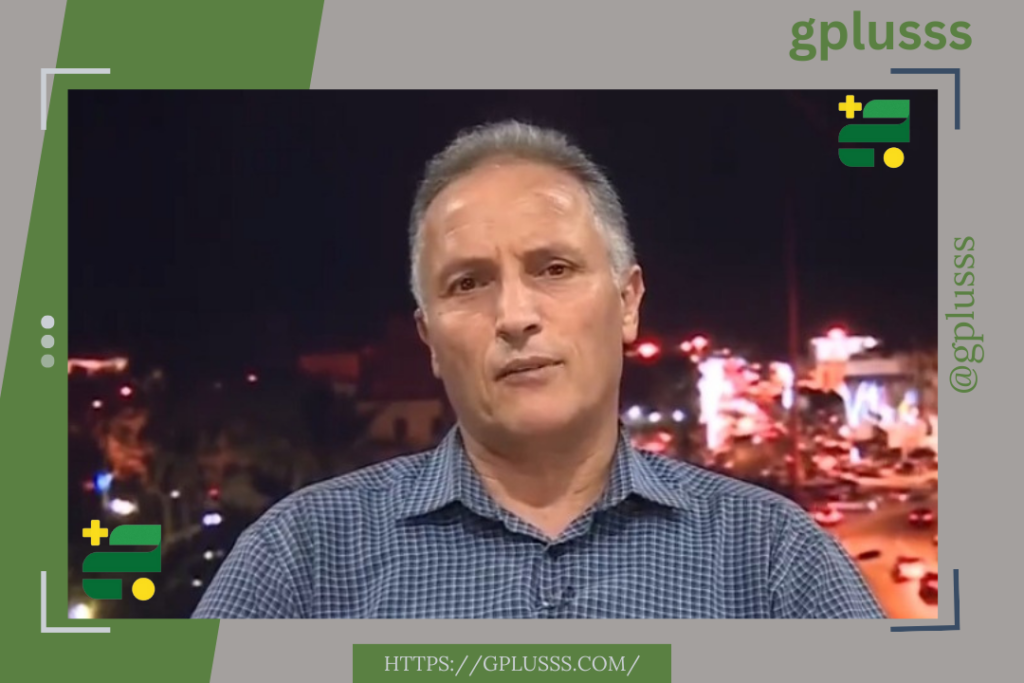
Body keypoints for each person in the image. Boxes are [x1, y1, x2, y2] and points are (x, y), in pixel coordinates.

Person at [192, 120, 885, 619]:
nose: (514, 315)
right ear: (428, 338)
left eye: (553, 268)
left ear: (627, 302)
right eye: (468, 283)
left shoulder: (772, 561)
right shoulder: (302, 561)